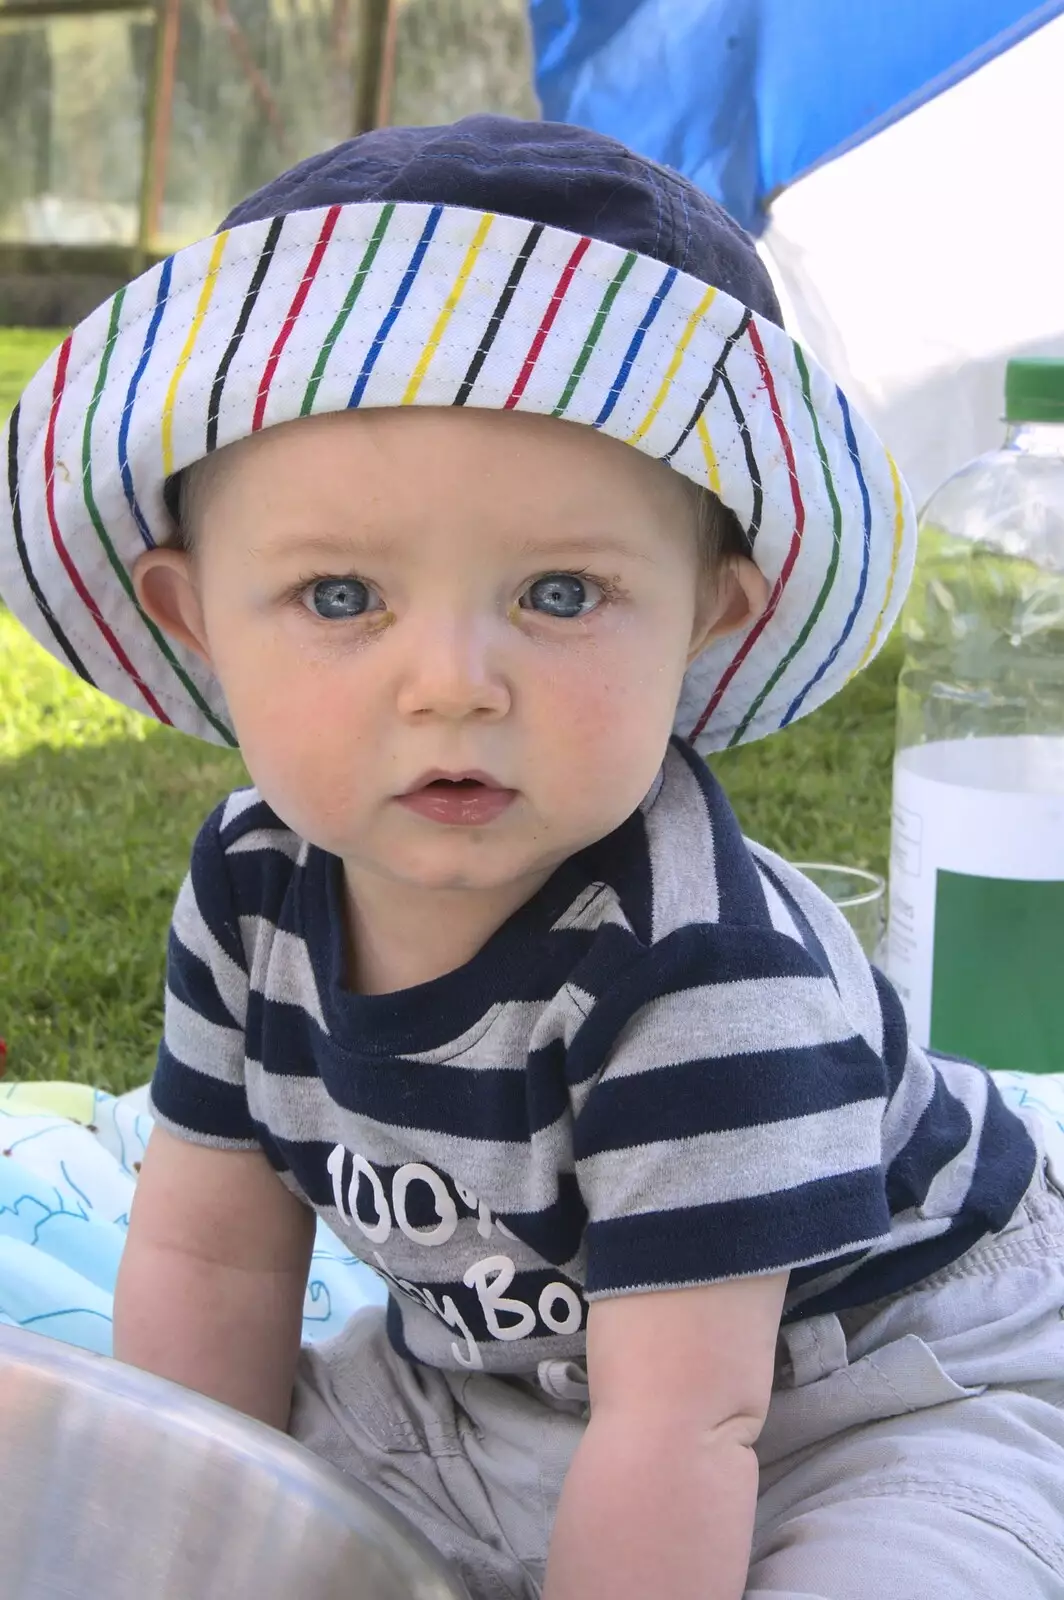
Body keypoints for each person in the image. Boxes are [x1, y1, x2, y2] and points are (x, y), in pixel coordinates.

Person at [2, 116, 1063, 1600]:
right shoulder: (253, 884)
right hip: (504, 1380)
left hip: (871, 1376)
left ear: (712, 615)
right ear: (193, 619)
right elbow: (215, 1264)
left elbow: (691, 1417)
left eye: (561, 591)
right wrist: (184, 1535)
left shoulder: (699, 966)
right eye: (339, 594)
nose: (451, 682)